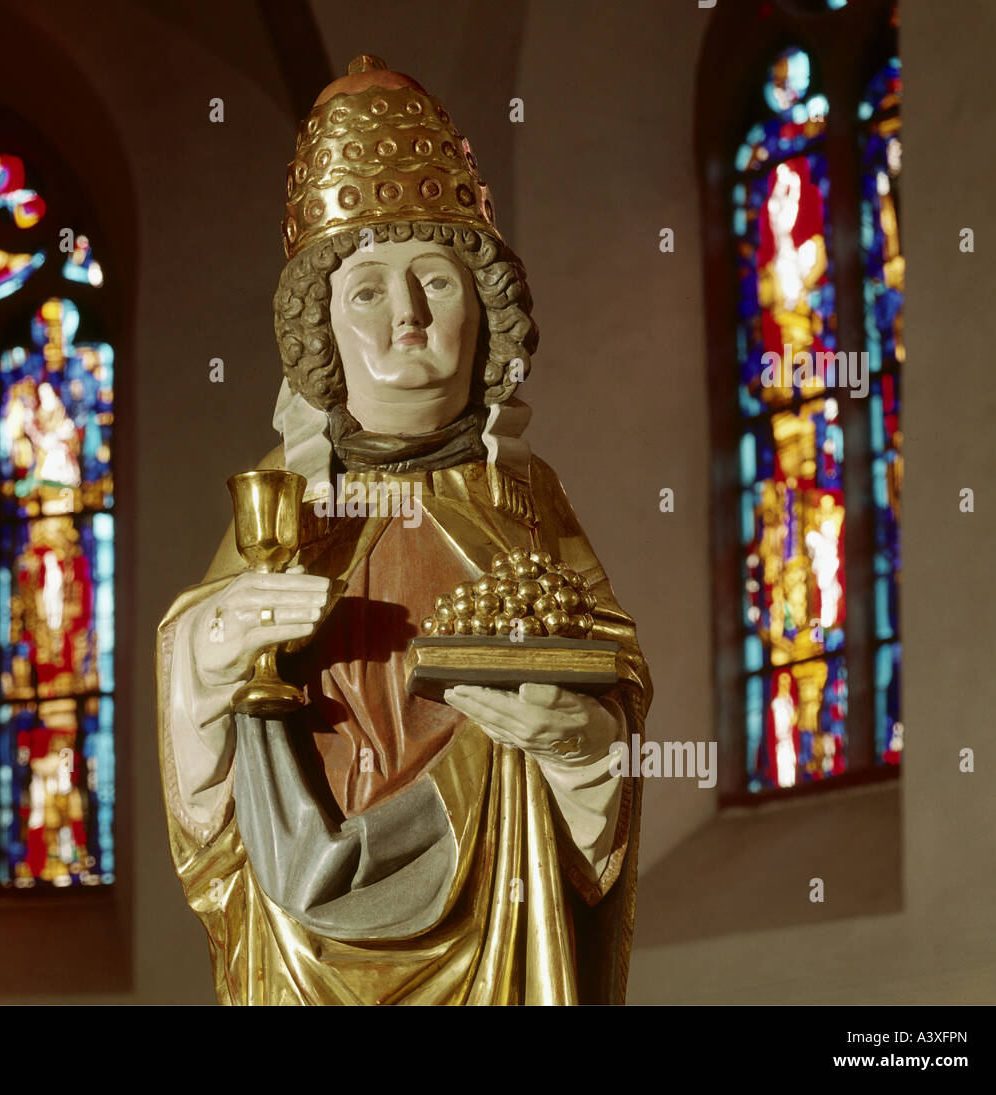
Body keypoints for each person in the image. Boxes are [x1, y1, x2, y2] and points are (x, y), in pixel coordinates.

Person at [156, 55, 652, 1004]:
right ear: (324, 329)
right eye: (368, 291)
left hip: (501, 919)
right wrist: (210, 658)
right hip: (301, 947)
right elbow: (204, 758)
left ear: (485, 311)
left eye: (437, 279)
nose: (409, 318)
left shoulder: (524, 501)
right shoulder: (281, 502)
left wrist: (576, 742)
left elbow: (613, 692)